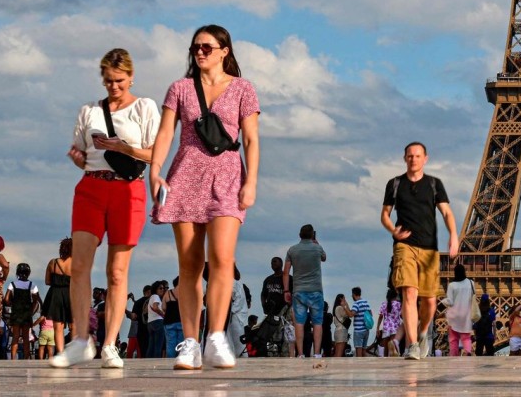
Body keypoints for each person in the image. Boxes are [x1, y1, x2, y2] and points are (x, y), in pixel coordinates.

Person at [150, 24, 262, 371]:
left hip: (227, 176)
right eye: (195, 47)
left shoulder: (243, 88)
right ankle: (191, 343)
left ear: (224, 50)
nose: (199, 52)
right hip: (184, 176)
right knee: (189, 264)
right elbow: (167, 131)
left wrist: (251, 181)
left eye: (207, 47)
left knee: (222, 258)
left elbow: (251, 139)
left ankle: (216, 335)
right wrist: (155, 171)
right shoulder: (180, 88)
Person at [49, 48, 159, 368]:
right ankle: (81, 339)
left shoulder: (144, 107)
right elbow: (83, 153)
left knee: (116, 271)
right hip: (91, 186)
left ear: (131, 77)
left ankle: (110, 344)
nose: (114, 86)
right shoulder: (88, 111)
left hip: (127, 189)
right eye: (109, 81)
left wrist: (122, 147)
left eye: (120, 81)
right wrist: (78, 158)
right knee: (80, 266)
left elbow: (155, 154)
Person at [380, 141, 459, 360]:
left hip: (428, 248)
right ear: (405, 158)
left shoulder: (434, 184)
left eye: (417, 156)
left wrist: (454, 235)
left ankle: (423, 333)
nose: (413, 159)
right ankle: (412, 344)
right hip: (404, 246)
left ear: (425, 158)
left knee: (430, 300)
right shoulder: (395, 184)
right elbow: (385, 214)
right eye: (410, 156)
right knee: (409, 292)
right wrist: (392, 230)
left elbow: (446, 213)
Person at [283, 224, 328, 360]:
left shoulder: (292, 250)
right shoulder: (317, 248)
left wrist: (286, 290)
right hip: (315, 290)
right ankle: (317, 353)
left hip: (299, 290)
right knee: (317, 323)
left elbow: (286, 272)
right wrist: (316, 242)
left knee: (299, 323)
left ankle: (301, 353)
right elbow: (324, 257)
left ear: (299, 235)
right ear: (312, 235)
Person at [40, 238, 74, 358]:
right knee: (73, 325)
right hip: (71, 294)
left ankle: (60, 353)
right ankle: (73, 353)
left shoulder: (52, 263)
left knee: (57, 327)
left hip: (55, 295)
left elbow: (47, 281)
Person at [4, 263, 41, 360]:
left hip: (16, 313)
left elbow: (6, 299)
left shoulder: (12, 284)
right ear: (28, 273)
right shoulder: (32, 285)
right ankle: (25, 358)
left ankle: (13, 358)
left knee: (15, 337)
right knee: (26, 338)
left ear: (18, 273)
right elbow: (36, 300)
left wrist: (13, 304)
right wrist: (31, 311)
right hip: (26, 314)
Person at [376, 288, 403, 357]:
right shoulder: (398, 304)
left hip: (386, 327)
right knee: (393, 346)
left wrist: (377, 328)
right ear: (395, 296)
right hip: (395, 327)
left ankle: (385, 361)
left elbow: (380, 317)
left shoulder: (384, 304)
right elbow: (401, 316)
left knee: (386, 348)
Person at [350, 286, 373, 356]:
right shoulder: (365, 302)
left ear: (354, 294)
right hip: (366, 330)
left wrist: (345, 307)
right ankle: (365, 365)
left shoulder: (356, 304)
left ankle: (359, 366)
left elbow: (352, 314)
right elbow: (370, 313)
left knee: (358, 351)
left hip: (358, 330)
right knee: (364, 350)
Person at [330, 293, 352, 357]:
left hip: (338, 330)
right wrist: (346, 305)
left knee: (337, 352)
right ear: (341, 299)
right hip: (341, 331)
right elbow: (349, 314)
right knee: (339, 353)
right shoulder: (339, 308)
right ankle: (336, 366)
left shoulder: (336, 308)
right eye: (344, 298)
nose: (345, 300)